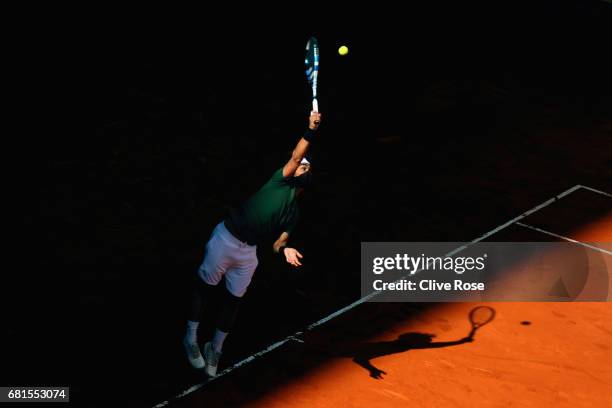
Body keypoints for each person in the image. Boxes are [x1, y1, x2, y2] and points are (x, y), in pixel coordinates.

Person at [183, 111, 322, 376]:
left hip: (248, 252)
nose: (301, 166)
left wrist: (285, 249)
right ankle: (190, 339)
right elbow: (295, 155)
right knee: (204, 288)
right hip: (226, 237)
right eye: (300, 164)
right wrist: (310, 130)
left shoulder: (293, 214)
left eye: (306, 165)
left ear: (309, 175)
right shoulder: (280, 180)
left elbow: (277, 243)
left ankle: (216, 348)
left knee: (233, 300)